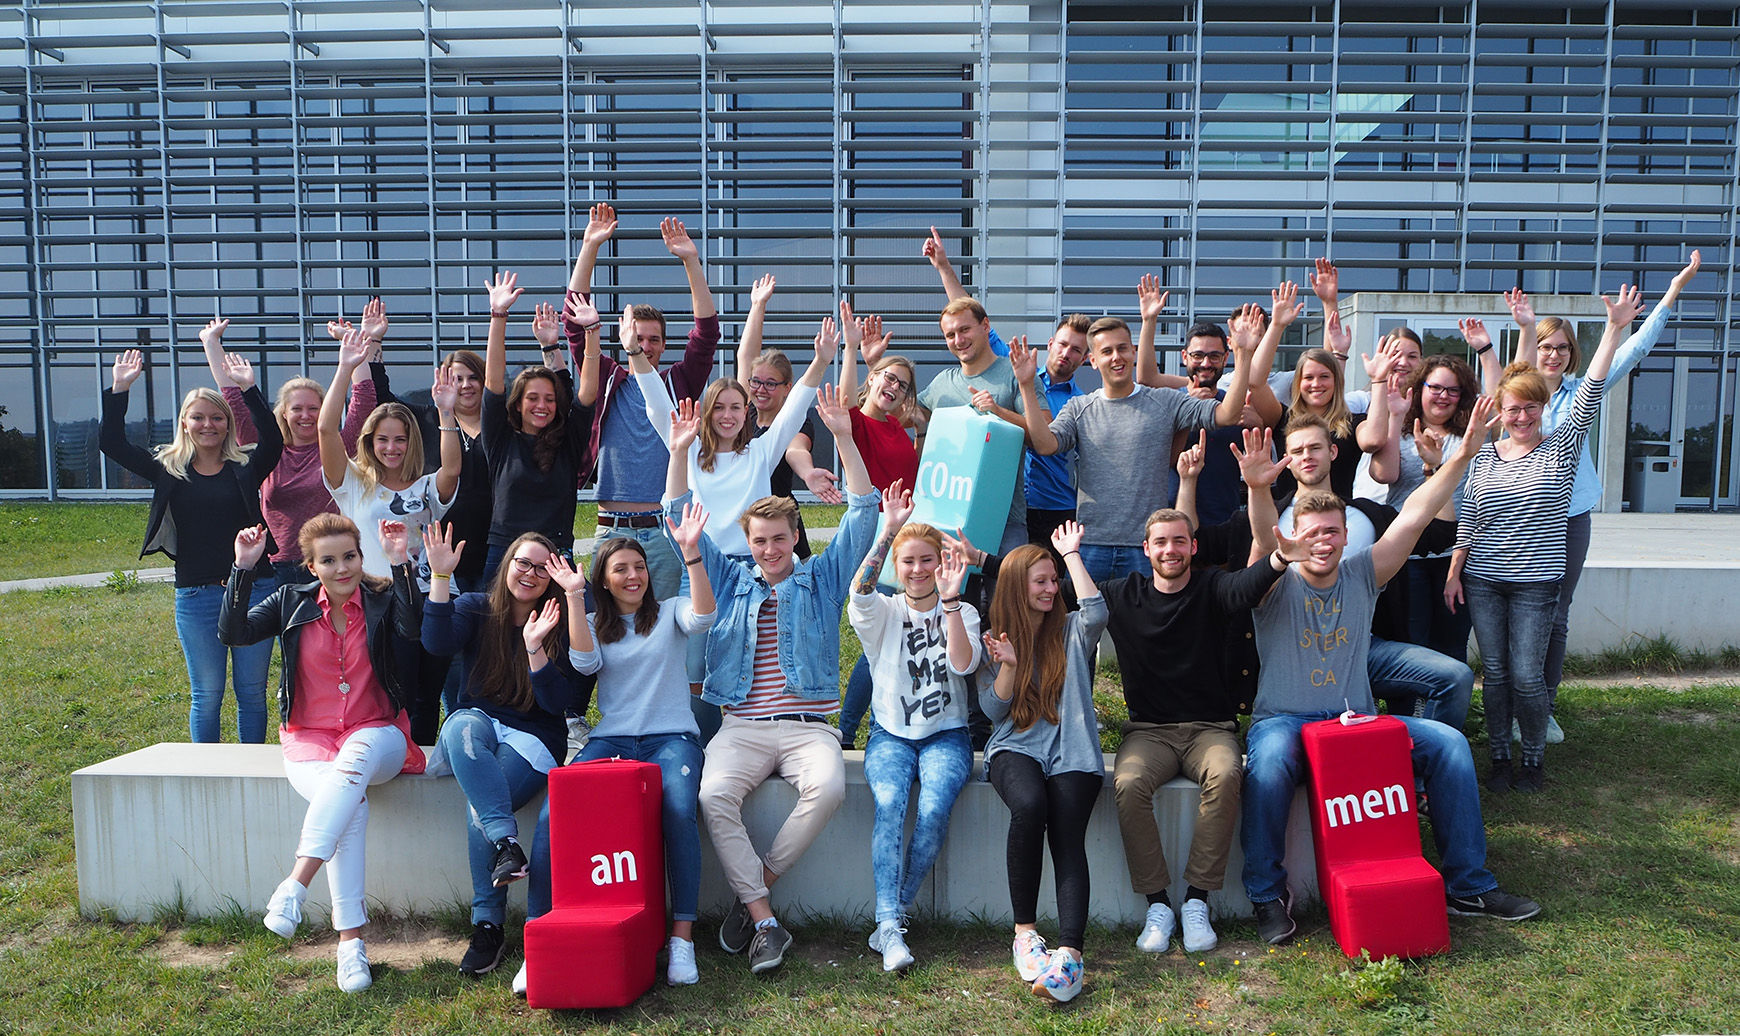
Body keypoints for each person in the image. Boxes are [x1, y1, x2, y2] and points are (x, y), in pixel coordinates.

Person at [1239, 397, 1544, 945]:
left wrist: (1464, 456)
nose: (1323, 541)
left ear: (1346, 535)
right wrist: (1259, 488)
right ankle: (1267, 894)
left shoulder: (1363, 572)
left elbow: (1416, 513)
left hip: (1352, 722)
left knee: (1448, 744)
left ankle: (1468, 885)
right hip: (1283, 720)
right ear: (1296, 536)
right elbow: (1264, 539)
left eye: (1333, 532)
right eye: (1312, 533)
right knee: (1269, 762)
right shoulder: (1275, 578)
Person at [680, 384, 880, 976]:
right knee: (713, 795)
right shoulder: (730, 578)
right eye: (758, 540)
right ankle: (767, 921)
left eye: (778, 538)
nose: (769, 549)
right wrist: (679, 452)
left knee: (831, 786)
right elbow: (676, 516)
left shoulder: (821, 578)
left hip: (806, 727)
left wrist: (843, 435)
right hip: (740, 727)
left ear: (796, 537)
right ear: (747, 543)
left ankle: (753, 895)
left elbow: (862, 515)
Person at [1105, 430, 1302, 957]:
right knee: (1126, 784)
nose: (1171, 550)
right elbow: (1049, 586)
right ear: (1145, 550)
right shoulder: (1123, 595)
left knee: (1228, 772)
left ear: (1193, 546)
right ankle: (1157, 904)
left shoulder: (1214, 587)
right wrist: (985, 563)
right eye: (1160, 543)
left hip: (1210, 729)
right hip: (1149, 732)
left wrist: (1282, 559)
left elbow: (1248, 585)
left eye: (1179, 541)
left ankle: (1196, 899)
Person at [1448, 285, 1646, 793]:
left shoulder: (1561, 450)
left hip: (1536, 583)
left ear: (1541, 408)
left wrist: (1614, 329)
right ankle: (1497, 759)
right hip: (1484, 581)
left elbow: (1592, 389)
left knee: (1528, 678)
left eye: (1530, 409)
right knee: (1492, 673)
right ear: (1500, 411)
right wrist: (1455, 569)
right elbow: (1469, 513)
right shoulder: (1486, 456)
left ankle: (1532, 762)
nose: (1521, 417)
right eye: (1512, 409)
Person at [218, 514, 427, 993]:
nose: (342, 568)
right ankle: (350, 947)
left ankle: (295, 884)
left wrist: (400, 564)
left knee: (355, 758)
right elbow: (234, 634)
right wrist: (243, 567)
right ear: (311, 567)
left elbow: (413, 630)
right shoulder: (290, 602)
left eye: (350, 556)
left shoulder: (379, 597)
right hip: (309, 739)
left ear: (360, 556)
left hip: (381, 734)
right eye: (329, 560)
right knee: (349, 807)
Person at [1502, 252, 1702, 744]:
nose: (1553, 355)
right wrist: (1525, 329)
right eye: (1546, 346)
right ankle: (1509, 705)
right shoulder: (1515, 395)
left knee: (1557, 614)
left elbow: (1631, 350)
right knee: (1514, 614)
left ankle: (1541, 708)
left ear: (1572, 353)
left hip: (1569, 516)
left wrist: (1672, 292)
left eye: (1562, 348)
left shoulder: (1581, 391)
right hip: (1519, 518)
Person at [1184, 414, 1476, 733]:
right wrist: (1196, 481)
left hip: (1360, 648)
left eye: (1315, 447)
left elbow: (1433, 528)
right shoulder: (1259, 520)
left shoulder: (1368, 516)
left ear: (1333, 452)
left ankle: (1413, 764)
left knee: (1454, 675)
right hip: (1289, 653)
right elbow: (1193, 546)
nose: (1307, 456)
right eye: (1297, 450)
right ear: (1285, 459)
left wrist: (1444, 465)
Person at [422, 524, 594, 980]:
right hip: (478, 726)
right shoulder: (477, 608)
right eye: (524, 563)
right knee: (460, 723)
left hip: (535, 737)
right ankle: (508, 846)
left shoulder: (558, 621)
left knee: (483, 809)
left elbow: (562, 704)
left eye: (543, 567)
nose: (532, 573)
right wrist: (441, 578)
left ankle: (487, 926)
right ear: (507, 565)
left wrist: (535, 649)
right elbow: (436, 643)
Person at [568, 499, 716, 986]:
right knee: (559, 810)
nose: (633, 576)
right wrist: (572, 596)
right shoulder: (593, 625)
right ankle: (547, 928)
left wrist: (691, 555)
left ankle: (681, 939)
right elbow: (584, 665)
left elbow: (703, 618)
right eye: (621, 569)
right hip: (611, 740)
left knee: (677, 807)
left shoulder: (670, 611)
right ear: (604, 580)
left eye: (639, 567)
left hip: (671, 738)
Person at [100, 346, 282, 743]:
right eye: (198, 417)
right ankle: (210, 777)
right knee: (208, 694)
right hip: (196, 595)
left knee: (251, 693)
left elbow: (273, 442)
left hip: (255, 590)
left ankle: (249, 776)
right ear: (185, 423)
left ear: (228, 424)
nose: (208, 424)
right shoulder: (169, 471)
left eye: (217, 417)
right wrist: (119, 388)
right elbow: (111, 442)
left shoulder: (245, 468)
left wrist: (249, 390)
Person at [1014, 291, 1256, 584]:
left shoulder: (1166, 401)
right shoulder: (1079, 407)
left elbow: (1228, 414)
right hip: (1091, 546)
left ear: (1133, 351)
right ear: (1093, 360)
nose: (1116, 357)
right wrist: (1027, 386)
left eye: (1123, 348)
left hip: (1146, 547)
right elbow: (1044, 444)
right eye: (1106, 352)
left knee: (1143, 630)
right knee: (1085, 627)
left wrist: (1243, 356)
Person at [848, 503, 981, 972]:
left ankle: (891, 918)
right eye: (909, 561)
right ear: (896, 566)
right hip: (890, 735)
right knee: (889, 805)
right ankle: (890, 925)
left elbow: (964, 666)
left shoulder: (963, 612)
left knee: (932, 810)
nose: (919, 569)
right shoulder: (882, 610)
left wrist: (949, 602)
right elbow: (859, 590)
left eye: (928, 559)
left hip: (947, 735)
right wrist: (888, 533)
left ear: (941, 563)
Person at [566, 203, 719, 601]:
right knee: (607, 630)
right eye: (638, 337)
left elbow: (705, 335)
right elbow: (574, 323)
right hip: (610, 529)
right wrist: (589, 247)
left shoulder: (678, 383)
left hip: (666, 530)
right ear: (624, 336)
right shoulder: (603, 377)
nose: (645, 346)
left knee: (666, 629)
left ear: (664, 345)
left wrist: (691, 262)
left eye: (654, 340)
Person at [979, 523, 1105, 1003]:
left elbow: (1097, 610)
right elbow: (992, 712)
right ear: (1018, 587)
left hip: (1072, 748)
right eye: (1042, 581)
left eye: (1055, 580)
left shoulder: (1072, 629)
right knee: (1029, 806)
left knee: (1068, 832)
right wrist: (1009, 664)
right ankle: (1025, 935)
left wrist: (1070, 556)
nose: (1053, 589)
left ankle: (1070, 958)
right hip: (1017, 747)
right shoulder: (996, 638)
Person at [202, 316, 376, 584]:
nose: (305, 416)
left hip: (328, 563)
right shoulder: (267, 449)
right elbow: (233, 399)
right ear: (283, 413)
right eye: (297, 409)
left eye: (314, 408)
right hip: (277, 565)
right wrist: (211, 342)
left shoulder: (338, 447)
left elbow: (364, 400)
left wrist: (352, 347)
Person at [350, 295, 496, 596]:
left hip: (490, 544)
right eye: (457, 378)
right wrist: (375, 341)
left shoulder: (500, 425)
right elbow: (381, 397)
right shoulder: (427, 419)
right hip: (437, 547)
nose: (466, 385)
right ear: (444, 382)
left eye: (473, 378)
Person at [481, 271, 597, 578]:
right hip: (505, 553)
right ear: (517, 404)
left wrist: (592, 332)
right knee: (494, 626)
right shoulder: (501, 440)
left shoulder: (567, 441)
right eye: (532, 398)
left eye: (549, 399)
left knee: (579, 621)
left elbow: (587, 393)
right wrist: (498, 315)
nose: (541, 406)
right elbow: (493, 380)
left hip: (557, 555)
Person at [735, 273, 844, 561]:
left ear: (787, 389)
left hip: (782, 522)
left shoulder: (795, 421)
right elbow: (745, 356)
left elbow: (795, 449)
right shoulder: (740, 414)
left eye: (771, 383)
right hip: (744, 520)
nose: (760, 389)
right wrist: (758, 306)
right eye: (756, 382)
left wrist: (808, 474)